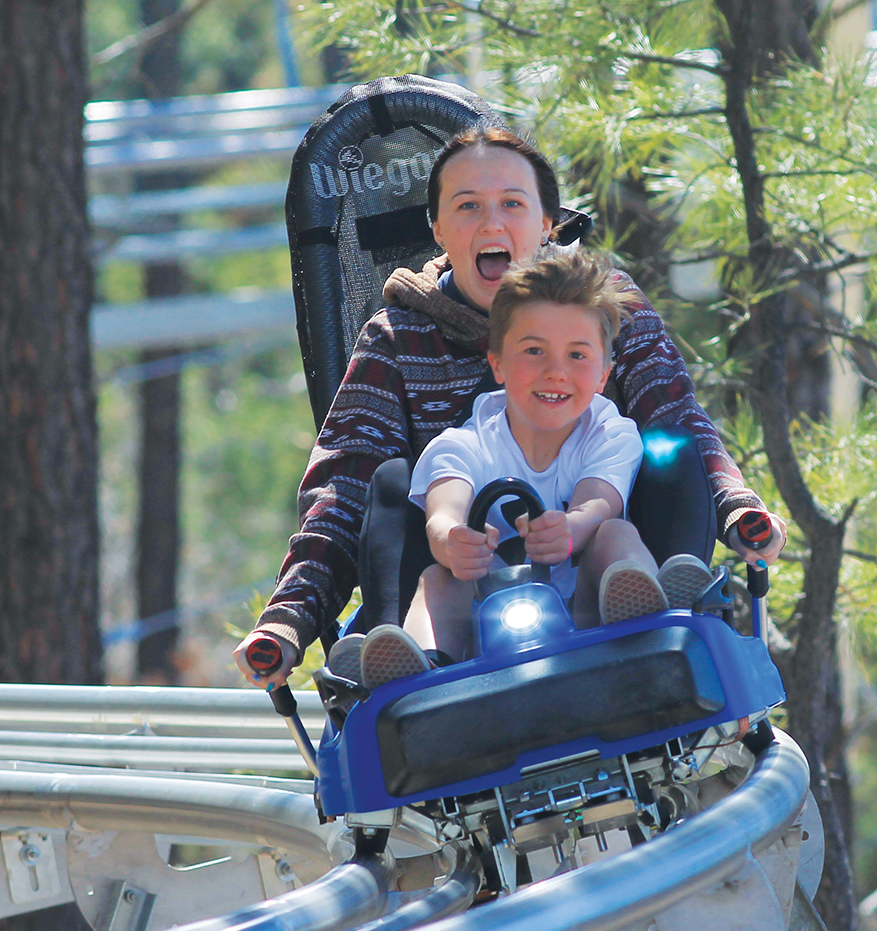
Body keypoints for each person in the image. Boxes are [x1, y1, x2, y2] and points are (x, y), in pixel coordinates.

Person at [234, 126, 786, 688]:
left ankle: (663, 620)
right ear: (438, 230)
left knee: (670, 451)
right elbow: (342, 493)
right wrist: (289, 620)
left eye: (512, 205)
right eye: (468, 206)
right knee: (394, 483)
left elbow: (673, 413)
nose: (492, 224)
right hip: (471, 580)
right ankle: (412, 668)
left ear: (547, 224)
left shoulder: (605, 306)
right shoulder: (400, 342)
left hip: (599, 562)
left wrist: (737, 508)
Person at [355, 246, 710, 687]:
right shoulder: (465, 443)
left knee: (615, 532)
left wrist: (572, 528)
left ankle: (650, 614)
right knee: (439, 576)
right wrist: (452, 542)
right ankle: (419, 668)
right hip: (486, 635)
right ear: (498, 364)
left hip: (587, 617)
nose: (555, 372)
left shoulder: (608, 432)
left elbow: (599, 501)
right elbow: (443, 511)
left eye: (577, 356)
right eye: (533, 352)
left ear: (603, 375)